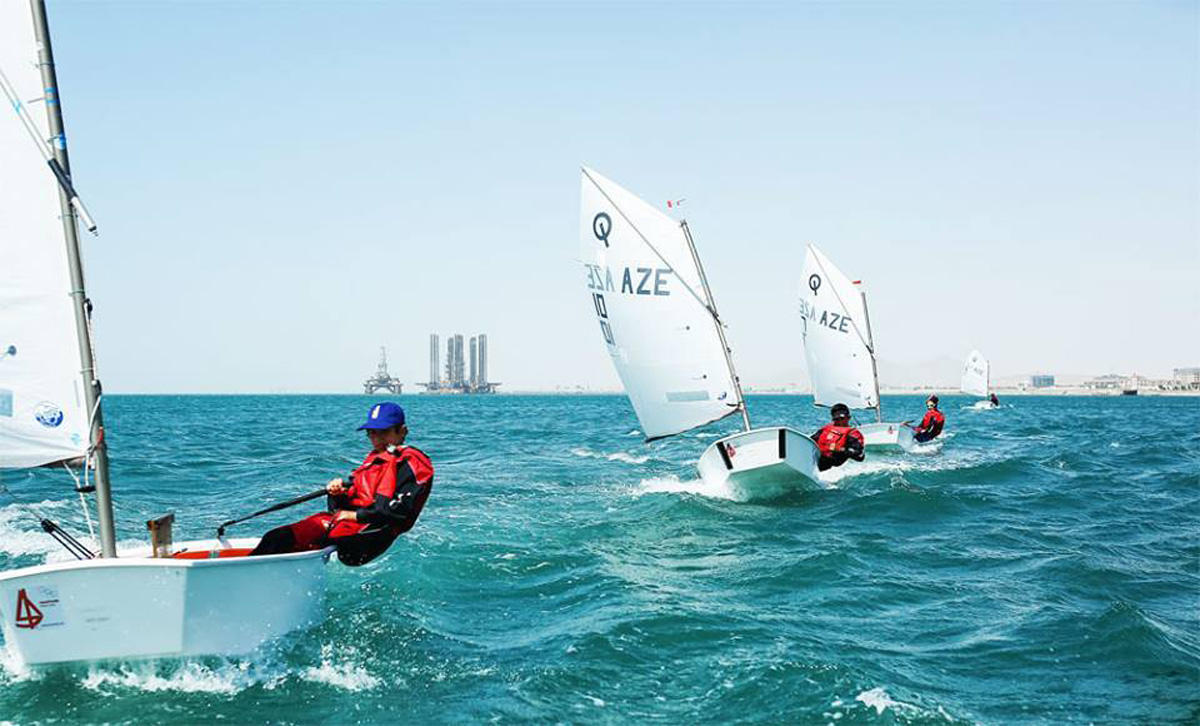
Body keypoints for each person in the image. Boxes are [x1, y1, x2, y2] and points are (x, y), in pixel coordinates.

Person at [249, 402, 433, 566]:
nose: (376, 439)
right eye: (371, 433)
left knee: (283, 541)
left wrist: (353, 515)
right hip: (348, 526)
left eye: (384, 432)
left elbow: (395, 513)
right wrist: (338, 493)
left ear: (402, 431)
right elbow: (337, 508)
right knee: (276, 537)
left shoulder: (413, 462)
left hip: (370, 537)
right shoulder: (375, 460)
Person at [810, 403, 865, 471]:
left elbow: (860, 456)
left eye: (841, 418)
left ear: (848, 418)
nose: (839, 421)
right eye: (836, 419)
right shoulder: (826, 429)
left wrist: (841, 449)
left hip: (832, 467)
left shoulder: (852, 433)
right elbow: (811, 441)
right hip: (817, 461)